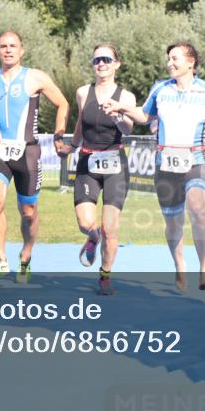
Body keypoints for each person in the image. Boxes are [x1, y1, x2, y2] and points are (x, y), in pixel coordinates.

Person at [102, 42, 205, 291]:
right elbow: (146, 116)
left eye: (175, 58)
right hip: (165, 165)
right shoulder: (160, 89)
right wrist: (121, 107)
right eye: (168, 58)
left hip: (198, 161)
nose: (169, 63)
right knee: (173, 222)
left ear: (191, 62)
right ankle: (180, 266)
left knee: (197, 207)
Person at [0, 30, 70, 282]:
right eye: (3, 46)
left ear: (22, 50)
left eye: (13, 46)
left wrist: (58, 135)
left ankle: (26, 255)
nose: (8, 50)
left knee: (28, 212)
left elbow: (63, 103)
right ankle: (0, 257)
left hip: (27, 152)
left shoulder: (35, 77)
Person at [60, 44, 136, 295]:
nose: (101, 64)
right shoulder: (84, 92)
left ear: (116, 64)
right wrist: (71, 146)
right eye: (96, 60)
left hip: (115, 164)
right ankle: (92, 238)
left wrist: (116, 114)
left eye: (106, 59)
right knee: (85, 223)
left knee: (110, 228)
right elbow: (81, 123)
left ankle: (104, 276)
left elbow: (128, 130)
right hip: (87, 162)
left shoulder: (126, 97)